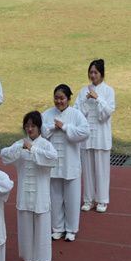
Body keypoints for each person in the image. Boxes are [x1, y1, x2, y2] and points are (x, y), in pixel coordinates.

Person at [1, 111, 58, 261]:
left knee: (41, 227)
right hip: (25, 194)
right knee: (25, 227)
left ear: (39, 127)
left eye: (33, 126)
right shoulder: (21, 143)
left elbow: (52, 159)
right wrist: (20, 147)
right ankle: (28, 259)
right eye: (27, 126)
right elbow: (5, 155)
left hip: (40, 195)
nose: (30, 129)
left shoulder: (45, 145)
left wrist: (32, 149)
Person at [42, 84, 89, 242]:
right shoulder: (47, 114)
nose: (59, 101)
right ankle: (57, 228)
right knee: (55, 197)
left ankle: (71, 229)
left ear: (68, 99)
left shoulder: (76, 114)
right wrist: (52, 127)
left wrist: (65, 127)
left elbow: (84, 132)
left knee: (72, 198)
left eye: (62, 98)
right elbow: (41, 132)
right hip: (54, 164)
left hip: (70, 162)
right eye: (56, 98)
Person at [75, 59, 115, 213]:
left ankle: (102, 200)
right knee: (87, 169)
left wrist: (97, 98)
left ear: (101, 74)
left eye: (95, 72)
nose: (92, 75)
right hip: (87, 136)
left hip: (101, 136)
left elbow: (107, 113)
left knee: (101, 170)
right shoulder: (83, 91)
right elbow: (77, 111)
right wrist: (86, 100)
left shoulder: (109, 91)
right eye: (91, 72)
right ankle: (88, 199)